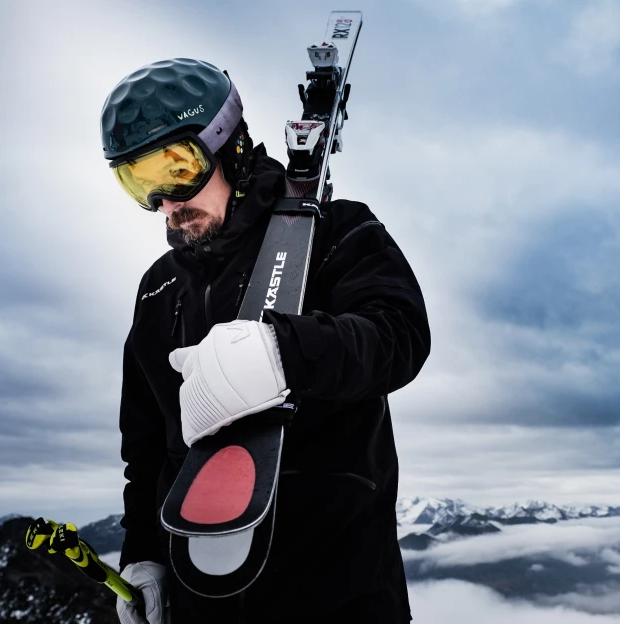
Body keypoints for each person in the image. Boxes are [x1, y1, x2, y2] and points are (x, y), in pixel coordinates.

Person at [103, 58, 430, 624]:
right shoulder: (158, 290)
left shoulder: (334, 231)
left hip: (342, 591)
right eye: (140, 182)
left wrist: (283, 353)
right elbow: (148, 445)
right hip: (206, 590)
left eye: (175, 168)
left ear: (228, 147)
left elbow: (399, 335)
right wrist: (144, 557)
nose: (166, 203)